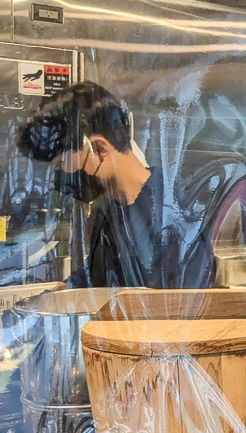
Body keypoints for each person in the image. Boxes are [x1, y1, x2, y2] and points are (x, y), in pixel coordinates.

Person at [17, 81, 212, 289]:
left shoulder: (168, 220)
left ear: (99, 148)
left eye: (61, 164)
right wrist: (67, 291)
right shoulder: (113, 210)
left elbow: (171, 311)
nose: (60, 179)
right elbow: (102, 275)